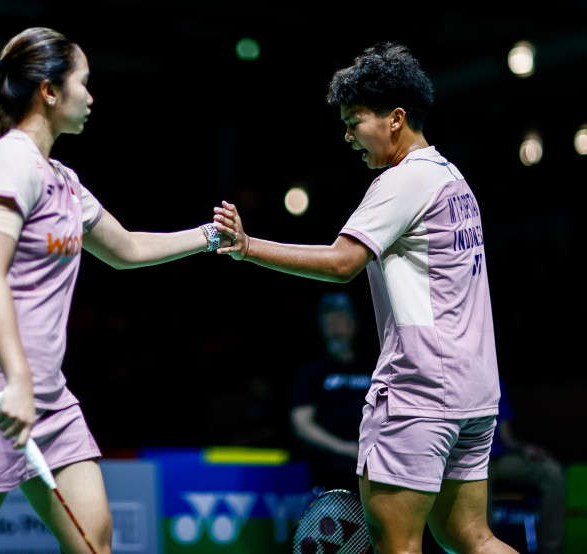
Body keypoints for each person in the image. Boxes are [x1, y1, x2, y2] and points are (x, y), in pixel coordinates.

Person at [0, 27, 229, 554]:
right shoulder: (8, 163)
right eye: (83, 83)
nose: (91, 97)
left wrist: (210, 238)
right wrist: (17, 380)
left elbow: (127, 248)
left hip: (48, 397)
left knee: (95, 540)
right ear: (49, 91)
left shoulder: (62, 179)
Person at [213, 42, 518, 553]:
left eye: (355, 121)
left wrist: (247, 248)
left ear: (396, 119)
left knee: (398, 545)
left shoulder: (404, 181)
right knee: (471, 537)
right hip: (473, 392)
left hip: (421, 393)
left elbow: (341, 262)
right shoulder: (452, 178)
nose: (347, 135)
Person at [290, 291, 372, 494]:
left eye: (340, 318)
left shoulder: (375, 368)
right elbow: (302, 423)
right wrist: (343, 448)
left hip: (375, 470)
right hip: (331, 476)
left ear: (354, 323)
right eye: (329, 319)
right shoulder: (313, 372)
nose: (334, 325)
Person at [489, 380, 565, 554]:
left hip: (499, 457)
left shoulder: (494, 376)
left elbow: (506, 435)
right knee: (479, 476)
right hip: (470, 458)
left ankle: (551, 549)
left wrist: (524, 448)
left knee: (550, 471)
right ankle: (480, 547)